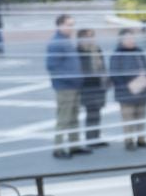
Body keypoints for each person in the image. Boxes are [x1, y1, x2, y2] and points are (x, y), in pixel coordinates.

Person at [108, 26, 146, 150]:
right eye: (128, 38)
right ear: (121, 40)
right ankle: (129, 141)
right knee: (128, 118)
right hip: (126, 93)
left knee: (141, 117)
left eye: (132, 38)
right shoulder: (117, 54)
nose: (131, 41)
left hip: (142, 91)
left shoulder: (139, 51)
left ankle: (141, 139)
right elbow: (114, 75)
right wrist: (128, 86)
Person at [46, 14, 84, 158]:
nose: (71, 28)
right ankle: (58, 148)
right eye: (69, 24)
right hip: (65, 87)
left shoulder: (66, 41)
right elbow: (52, 66)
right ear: (60, 25)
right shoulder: (57, 42)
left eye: (72, 24)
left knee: (74, 116)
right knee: (63, 118)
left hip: (74, 86)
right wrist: (70, 79)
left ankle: (75, 146)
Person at [77, 24, 110, 149]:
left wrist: (106, 78)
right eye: (88, 36)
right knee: (91, 112)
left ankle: (96, 137)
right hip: (87, 86)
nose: (91, 39)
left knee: (97, 112)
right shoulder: (79, 51)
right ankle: (90, 138)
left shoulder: (97, 49)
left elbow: (102, 65)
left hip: (99, 85)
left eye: (92, 36)